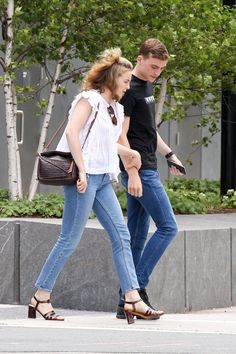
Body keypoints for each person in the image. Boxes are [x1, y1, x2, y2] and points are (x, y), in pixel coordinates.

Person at [28, 48, 164, 325]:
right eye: (125, 81)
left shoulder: (116, 107)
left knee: (121, 236)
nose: (129, 86)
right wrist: (81, 170)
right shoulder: (88, 99)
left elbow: (104, 143)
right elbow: (71, 132)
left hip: (103, 178)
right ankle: (41, 296)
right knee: (69, 239)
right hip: (85, 176)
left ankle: (132, 297)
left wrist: (130, 154)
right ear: (113, 78)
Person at [116, 38, 184, 319]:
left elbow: (148, 130)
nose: (157, 72)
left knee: (136, 237)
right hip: (139, 171)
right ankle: (137, 289)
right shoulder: (128, 89)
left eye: (161, 69)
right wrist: (132, 171)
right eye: (154, 66)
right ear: (140, 58)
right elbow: (120, 134)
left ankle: (125, 304)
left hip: (148, 166)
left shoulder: (148, 86)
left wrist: (170, 155)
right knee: (168, 227)